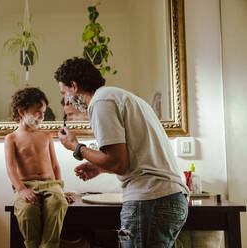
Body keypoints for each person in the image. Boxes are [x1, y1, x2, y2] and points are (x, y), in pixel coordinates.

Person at [55, 57, 189, 248]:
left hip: (149, 201)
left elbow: (118, 163)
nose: (66, 99)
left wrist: (77, 147)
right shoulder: (120, 97)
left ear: (74, 86)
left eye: (64, 92)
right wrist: (100, 168)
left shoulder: (100, 102)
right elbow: (128, 160)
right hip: (167, 198)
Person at [4, 87, 73, 248]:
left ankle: (49, 245)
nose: (42, 116)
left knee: (58, 203)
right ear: (22, 111)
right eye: (38, 111)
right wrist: (21, 189)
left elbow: (55, 165)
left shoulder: (46, 136)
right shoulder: (12, 138)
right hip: (26, 186)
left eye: (43, 111)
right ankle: (32, 245)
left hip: (51, 184)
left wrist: (60, 188)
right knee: (28, 211)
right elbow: (11, 168)